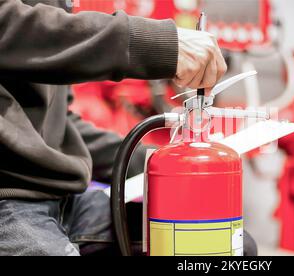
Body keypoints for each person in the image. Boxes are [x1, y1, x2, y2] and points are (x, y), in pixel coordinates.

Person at [0, 0, 257, 256]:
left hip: (63, 201)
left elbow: (55, 127)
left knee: (230, 246)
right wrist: (159, 43)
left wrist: (156, 161)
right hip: (8, 197)